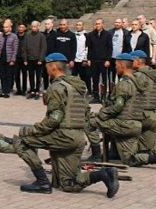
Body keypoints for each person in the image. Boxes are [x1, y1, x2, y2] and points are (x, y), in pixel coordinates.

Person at [15, 52, 119, 197]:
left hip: (63, 136)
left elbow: (54, 119)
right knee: (70, 184)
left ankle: (42, 182)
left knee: (21, 141)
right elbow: (86, 114)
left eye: (47, 67)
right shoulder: (77, 87)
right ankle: (104, 174)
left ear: (53, 68)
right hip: (77, 137)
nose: (46, 70)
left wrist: (32, 131)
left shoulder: (56, 87)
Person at [91, 53, 156, 171]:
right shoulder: (142, 82)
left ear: (122, 65)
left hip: (127, 123)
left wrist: (102, 114)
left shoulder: (125, 83)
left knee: (91, 122)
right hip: (140, 121)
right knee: (142, 150)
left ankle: (96, 155)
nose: (115, 67)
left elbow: (118, 106)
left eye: (116, 65)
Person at [129, 50, 156, 170]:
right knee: (146, 149)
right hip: (153, 116)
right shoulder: (155, 77)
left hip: (140, 115)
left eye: (132, 60)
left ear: (138, 62)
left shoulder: (137, 76)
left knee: (128, 153)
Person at [86, 18, 113, 103]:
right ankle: (96, 97)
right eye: (96, 24)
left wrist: (108, 60)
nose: (97, 25)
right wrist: (89, 59)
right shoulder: (90, 35)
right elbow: (89, 48)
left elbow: (110, 48)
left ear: (102, 24)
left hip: (104, 60)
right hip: (94, 60)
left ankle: (104, 96)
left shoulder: (107, 34)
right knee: (95, 79)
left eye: (99, 24)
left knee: (104, 79)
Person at [0, 19, 18, 98]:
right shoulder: (0, 36)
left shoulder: (14, 36)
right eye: (4, 27)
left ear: (10, 28)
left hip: (9, 59)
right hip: (1, 58)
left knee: (8, 75)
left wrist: (12, 60)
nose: (4, 28)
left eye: (6, 27)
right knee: (2, 75)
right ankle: (3, 90)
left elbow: (15, 49)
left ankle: (7, 91)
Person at [24, 21, 47, 100]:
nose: (33, 28)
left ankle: (37, 90)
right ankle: (32, 90)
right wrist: (25, 59)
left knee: (38, 76)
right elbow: (24, 48)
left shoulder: (42, 36)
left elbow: (43, 48)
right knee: (30, 75)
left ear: (38, 27)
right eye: (32, 26)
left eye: (35, 26)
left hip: (38, 60)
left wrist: (41, 59)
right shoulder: (27, 35)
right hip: (29, 59)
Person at [72, 21, 90, 95]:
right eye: (77, 25)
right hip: (74, 59)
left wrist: (85, 59)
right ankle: (74, 91)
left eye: (80, 25)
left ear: (83, 26)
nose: (78, 26)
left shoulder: (86, 35)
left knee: (85, 77)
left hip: (82, 60)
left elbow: (87, 48)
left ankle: (89, 90)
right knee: (73, 77)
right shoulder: (73, 35)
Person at [15, 23, 28, 96]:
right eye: (19, 27)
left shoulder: (27, 37)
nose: (21, 28)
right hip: (16, 58)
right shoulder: (15, 36)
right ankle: (18, 89)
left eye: (22, 27)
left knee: (24, 74)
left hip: (24, 58)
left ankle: (24, 90)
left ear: (25, 29)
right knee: (16, 75)